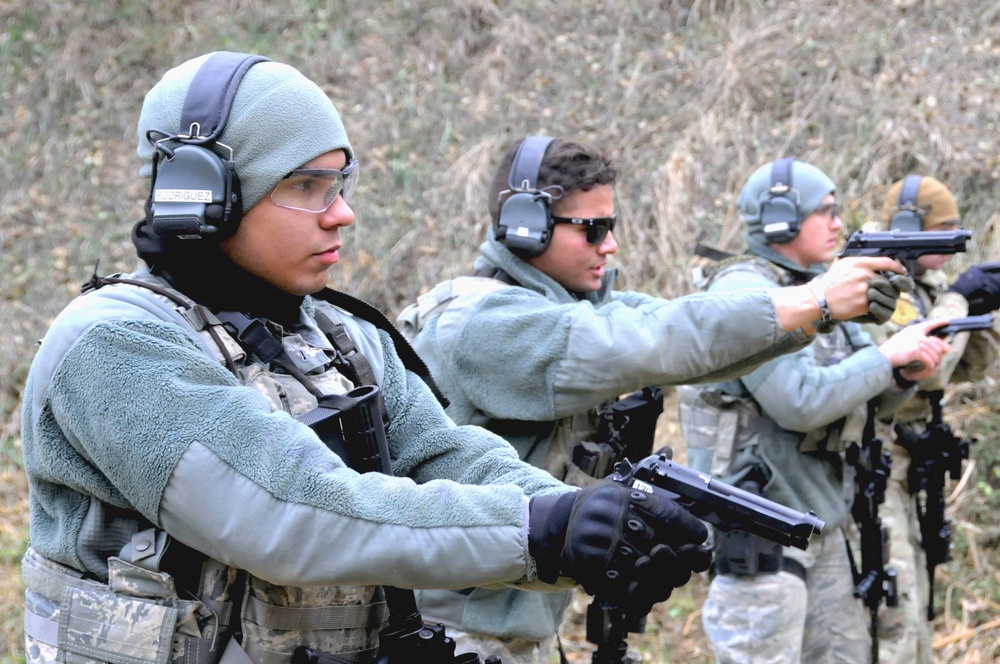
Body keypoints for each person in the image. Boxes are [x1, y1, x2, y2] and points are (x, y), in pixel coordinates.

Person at [18, 53, 723, 664]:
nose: (342, 213)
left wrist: (589, 518)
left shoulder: (338, 336)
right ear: (203, 195)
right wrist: (542, 533)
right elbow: (286, 511)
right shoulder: (112, 346)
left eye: (340, 183)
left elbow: (444, 455)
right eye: (305, 187)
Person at [396, 139, 920, 664]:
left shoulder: (564, 306)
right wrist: (815, 300)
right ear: (525, 226)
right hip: (452, 631)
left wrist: (818, 312)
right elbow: (653, 339)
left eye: (612, 225)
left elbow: (690, 336)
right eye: (592, 229)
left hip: (511, 622)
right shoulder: (485, 323)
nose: (611, 245)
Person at [676, 158, 952, 664]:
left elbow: (861, 396)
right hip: (761, 540)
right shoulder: (745, 293)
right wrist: (884, 357)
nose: (837, 223)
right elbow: (800, 403)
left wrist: (901, 373)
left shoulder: (814, 288)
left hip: (820, 525)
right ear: (781, 219)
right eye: (823, 211)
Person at [858, 175, 1000, 664]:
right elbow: (926, 370)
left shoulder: (926, 284)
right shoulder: (879, 282)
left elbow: (972, 368)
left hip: (911, 463)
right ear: (909, 228)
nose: (952, 241)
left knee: (917, 601)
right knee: (894, 609)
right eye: (944, 230)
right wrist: (958, 301)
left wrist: (976, 313)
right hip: (878, 467)